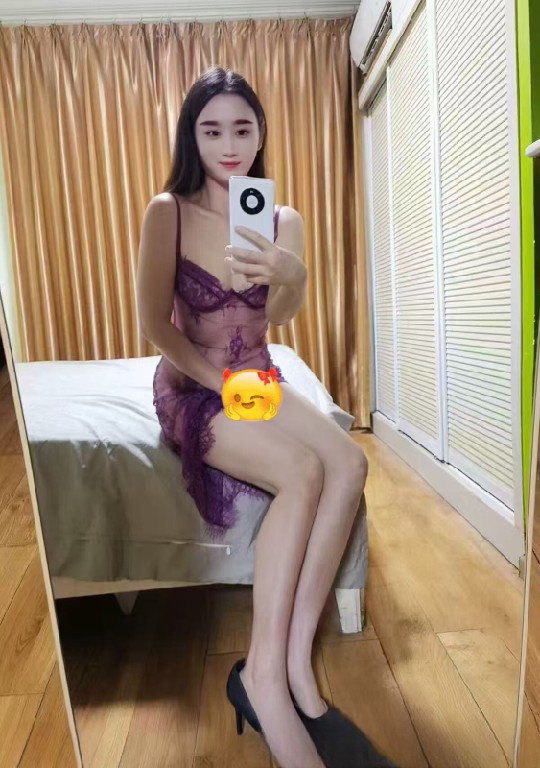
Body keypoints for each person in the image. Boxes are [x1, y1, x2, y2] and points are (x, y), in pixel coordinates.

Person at [137, 66, 394, 768]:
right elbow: (155, 326)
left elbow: (277, 317)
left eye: (242, 129)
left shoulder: (283, 220)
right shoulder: (169, 211)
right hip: (195, 383)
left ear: (260, 135)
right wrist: (218, 383)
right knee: (301, 471)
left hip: (257, 375)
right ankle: (261, 677)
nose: (228, 145)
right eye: (211, 129)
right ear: (191, 136)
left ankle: (296, 665)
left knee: (349, 462)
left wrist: (292, 275)